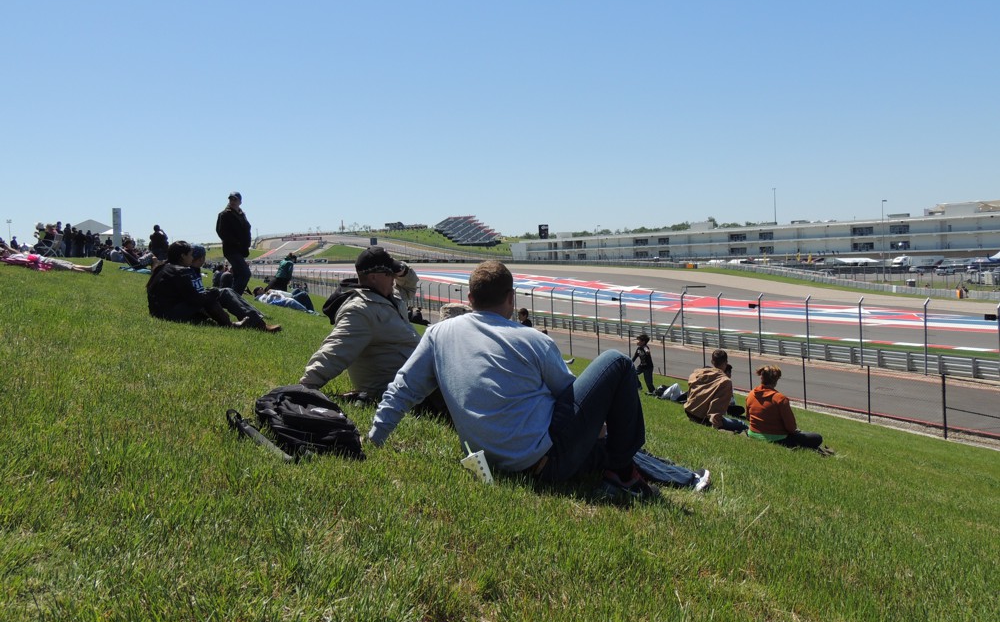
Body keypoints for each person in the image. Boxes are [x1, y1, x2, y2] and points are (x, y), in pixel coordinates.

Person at [368, 260, 711, 498]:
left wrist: (375, 439)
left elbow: (402, 389)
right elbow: (572, 398)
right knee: (616, 363)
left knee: (600, 439)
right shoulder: (532, 339)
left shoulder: (437, 333)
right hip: (542, 463)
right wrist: (602, 430)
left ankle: (640, 467)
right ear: (511, 299)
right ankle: (622, 474)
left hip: (483, 459)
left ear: (470, 300)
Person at [299, 246, 420, 404]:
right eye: (390, 273)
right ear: (373, 277)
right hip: (400, 390)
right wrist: (305, 386)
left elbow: (408, 287)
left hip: (416, 381)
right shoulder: (360, 310)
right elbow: (335, 350)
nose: (394, 278)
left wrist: (402, 269)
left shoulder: (389, 296)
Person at [146, 240, 278, 332]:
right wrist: (212, 293)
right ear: (182, 256)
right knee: (221, 293)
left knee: (220, 292)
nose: (192, 258)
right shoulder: (181, 271)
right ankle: (251, 324)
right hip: (172, 313)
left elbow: (186, 295)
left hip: (160, 312)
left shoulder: (163, 268)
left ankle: (255, 322)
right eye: (190, 255)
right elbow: (196, 299)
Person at [745, 365, 824, 449]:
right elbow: (791, 428)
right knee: (817, 438)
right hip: (778, 438)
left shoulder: (751, 394)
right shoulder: (780, 399)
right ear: (776, 379)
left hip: (753, 433)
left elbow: (748, 417)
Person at [684, 350, 748, 433]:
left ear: (712, 361)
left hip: (689, 412)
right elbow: (716, 406)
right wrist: (716, 425)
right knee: (742, 424)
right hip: (704, 418)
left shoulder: (698, 373)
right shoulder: (725, 381)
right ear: (726, 362)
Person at [215, 191, 252, 295]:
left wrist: (246, 244)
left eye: (235, 199)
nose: (232, 201)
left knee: (238, 275)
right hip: (231, 249)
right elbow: (221, 231)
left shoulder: (242, 214)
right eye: (230, 199)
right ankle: (234, 297)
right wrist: (236, 242)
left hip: (241, 250)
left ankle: (231, 297)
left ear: (240, 201)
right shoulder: (224, 214)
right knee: (245, 273)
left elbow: (247, 229)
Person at [1, 239, 103, 274]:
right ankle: (91, 273)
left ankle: (90, 268)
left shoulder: (13, 254)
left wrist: (5, 245)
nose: (6, 250)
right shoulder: (12, 258)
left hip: (44, 259)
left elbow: (12, 250)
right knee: (68, 268)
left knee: (69, 264)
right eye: (3, 251)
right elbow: (25, 261)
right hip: (43, 262)